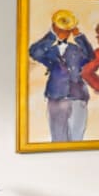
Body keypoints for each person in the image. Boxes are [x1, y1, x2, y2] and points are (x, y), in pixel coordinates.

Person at [28, 10, 95, 141]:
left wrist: (78, 36)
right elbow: (34, 52)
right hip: (56, 97)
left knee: (77, 138)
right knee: (58, 138)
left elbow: (90, 55)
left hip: (78, 97)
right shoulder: (49, 51)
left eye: (66, 28)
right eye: (60, 27)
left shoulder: (76, 49)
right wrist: (52, 35)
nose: (63, 31)